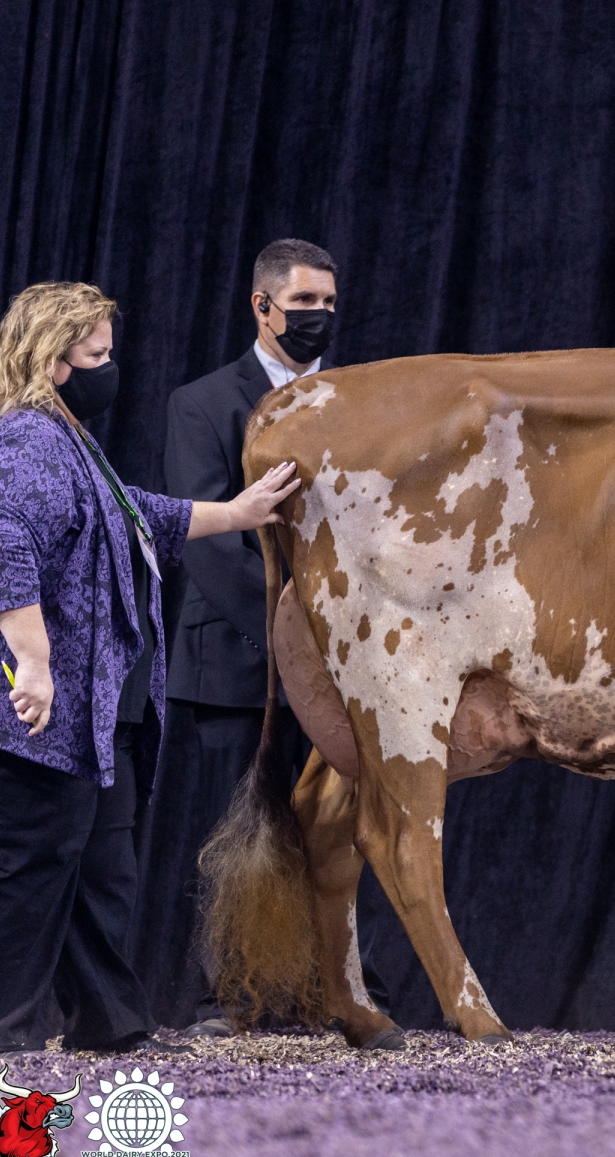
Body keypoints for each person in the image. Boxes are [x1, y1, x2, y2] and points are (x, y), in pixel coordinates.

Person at [0, 281, 300, 1057]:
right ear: (51, 361)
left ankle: (109, 1024)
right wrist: (33, 661)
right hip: (37, 712)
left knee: (100, 871)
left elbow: (137, 514)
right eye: (96, 355)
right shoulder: (21, 440)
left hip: (98, 715)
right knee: (22, 866)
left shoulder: (70, 440)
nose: (109, 368)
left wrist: (239, 512)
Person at [138, 238, 385, 1037]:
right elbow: (205, 538)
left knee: (345, 825)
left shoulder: (361, 402)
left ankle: (340, 991)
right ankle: (231, 999)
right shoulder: (203, 403)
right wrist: (296, 640)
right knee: (241, 826)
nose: (320, 315)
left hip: (350, 661)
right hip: (238, 652)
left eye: (329, 303)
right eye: (305, 302)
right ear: (263, 305)